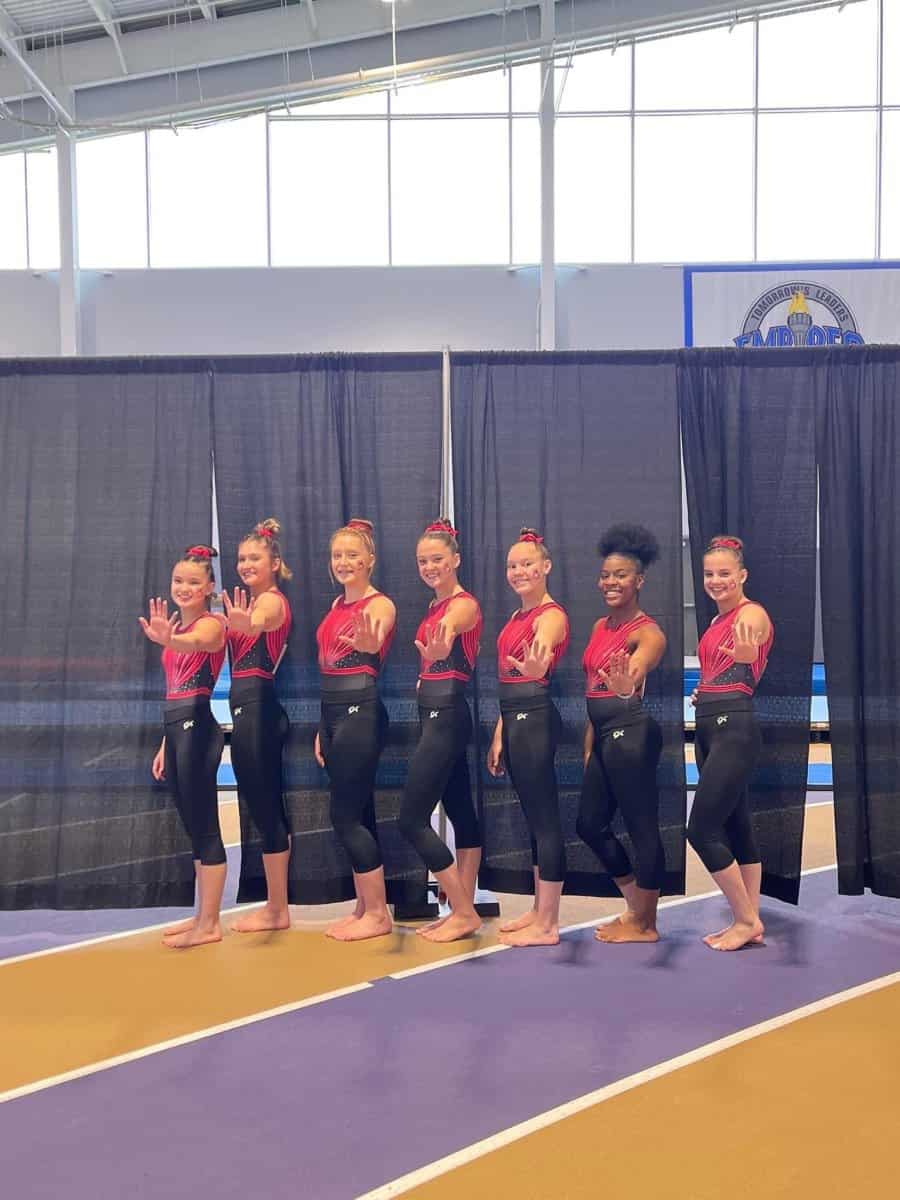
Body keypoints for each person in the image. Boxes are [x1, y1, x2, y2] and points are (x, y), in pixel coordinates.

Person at [576, 524, 668, 944]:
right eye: (605, 575)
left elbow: (640, 664)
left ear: (639, 581)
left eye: (621, 575)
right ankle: (635, 908)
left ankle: (646, 925)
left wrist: (629, 683)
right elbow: (592, 690)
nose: (610, 582)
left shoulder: (646, 631)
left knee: (641, 827)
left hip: (632, 735)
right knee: (589, 824)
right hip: (602, 735)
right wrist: (589, 744)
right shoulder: (601, 626)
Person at [398, 518, 483, 943]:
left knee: (411, 819)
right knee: (462, 813)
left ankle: (464, 911)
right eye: (422, 561)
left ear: (456, 560)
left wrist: (443, 642)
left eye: (437, 559)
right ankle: (461, 907)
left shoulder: (462, 605)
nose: (429, 567)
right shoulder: (435, 606)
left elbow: (452, 626)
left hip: (446, 716)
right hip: (436, 713)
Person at [687, 535, 773, 952]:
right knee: (737, 826)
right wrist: (705, 691)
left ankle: (744, 918)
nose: (716, 580)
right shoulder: (714, 624)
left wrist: (746, 655)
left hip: (733, 729)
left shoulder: (750, 613)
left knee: (701, 830)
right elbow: (722, 674)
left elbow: (750, 649)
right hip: (710, 726)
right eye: (709, 574)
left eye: (724, 573)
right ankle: (751, 917)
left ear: (742, 575)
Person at [139, 545, 227, 949]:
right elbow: (173, 688)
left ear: (209, 587)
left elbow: (196, 644)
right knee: (192, 825)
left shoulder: (212, 625)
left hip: (197, 728)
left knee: (205, 825)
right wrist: (164, 742)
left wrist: (171, 638)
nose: (184, 588)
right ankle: (201, 915)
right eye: (178, 581)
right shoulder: (177, 631)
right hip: (176, 730)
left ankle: (210, 924)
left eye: (194, 582)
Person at [487, 528, 569, 947]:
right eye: (513, 566)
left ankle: (549, 923)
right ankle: (539, 909)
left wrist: (539, 659)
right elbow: (509, 681)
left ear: (546, 567)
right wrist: (500, 732)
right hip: (516, 720)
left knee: (545, 821)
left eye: (527, 564)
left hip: (535, 719)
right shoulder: (516, 617)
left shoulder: (550, 616)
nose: (519, 571)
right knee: (534, 822)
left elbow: (543, 647)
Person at [315, 518, 396, 942]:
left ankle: (379, 914)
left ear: (370, 560)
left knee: (344, 816)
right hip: (333, 714)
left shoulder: (379, 604)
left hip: (360, 711)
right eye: (337, 555)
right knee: (359, 812)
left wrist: (370, 643)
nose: (343, 562)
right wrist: (322, 726)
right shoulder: (336, 605)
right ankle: (365, 906)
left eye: (352, 555)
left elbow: (376, 635)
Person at [223, 518, 293, 933]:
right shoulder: (246, 604)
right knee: (262, 807)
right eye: (241, 559)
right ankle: (275, 904)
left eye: (255, 558)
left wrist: (248, 623)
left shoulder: (271, 602)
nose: (246, 564)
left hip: (259, 709)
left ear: (274, 563)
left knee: (266, 810)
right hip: (246, 709)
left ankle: (277, 909)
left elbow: (262, 620)